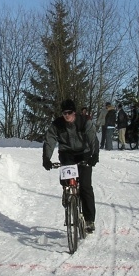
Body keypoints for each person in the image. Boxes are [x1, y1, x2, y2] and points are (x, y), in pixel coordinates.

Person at [42, 99, 100, 233]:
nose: (67, 115)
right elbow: (49, 141)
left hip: (83, 153)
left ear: (74, 112)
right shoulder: (57, 124)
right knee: (66, 180)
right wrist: (46, 158)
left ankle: (89, 220)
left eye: (69, 112)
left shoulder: (84, 122)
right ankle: (67, 193)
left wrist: (94, 155)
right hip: (66, 153)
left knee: (85, 186)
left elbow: (93, 139)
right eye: (64, 113)